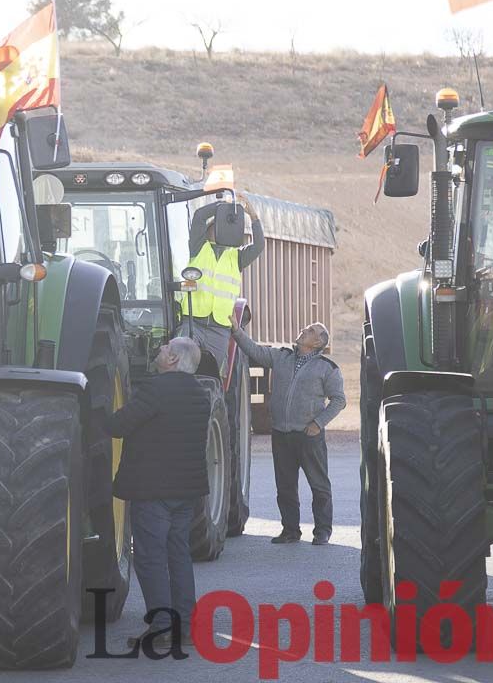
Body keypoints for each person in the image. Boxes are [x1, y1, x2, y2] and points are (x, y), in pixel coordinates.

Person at [107, 337, 210, 648]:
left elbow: (119, 425)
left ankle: (162, 623)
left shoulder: (156, 389)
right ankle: (186, 625)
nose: (159, 351)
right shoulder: (201, 394)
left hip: (154, 491)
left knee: (151, 558)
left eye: (165, 349)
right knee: (178, 554)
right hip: (186, 491)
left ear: (174, 360)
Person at [229, 315, 345, 545]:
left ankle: (322, 531)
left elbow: (339, 400)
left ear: (318, 342)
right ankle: (290, 531)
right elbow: (255, 351)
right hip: (281, 434)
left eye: (311, 330)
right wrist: (236, 331)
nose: (304, 329)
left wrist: (317, 424)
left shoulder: (327, 368)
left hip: (308, 436)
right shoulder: (282, 357)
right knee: (285, 486)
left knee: (319, 485)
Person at [180, 195, 264, 374]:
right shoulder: (199, 247)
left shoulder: (237, 257)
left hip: (219, 329)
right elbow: (200, 216)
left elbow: (258, 246)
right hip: (193, 322)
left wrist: (253, 217)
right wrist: (224, 206)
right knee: (182, 368)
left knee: (213, 375)